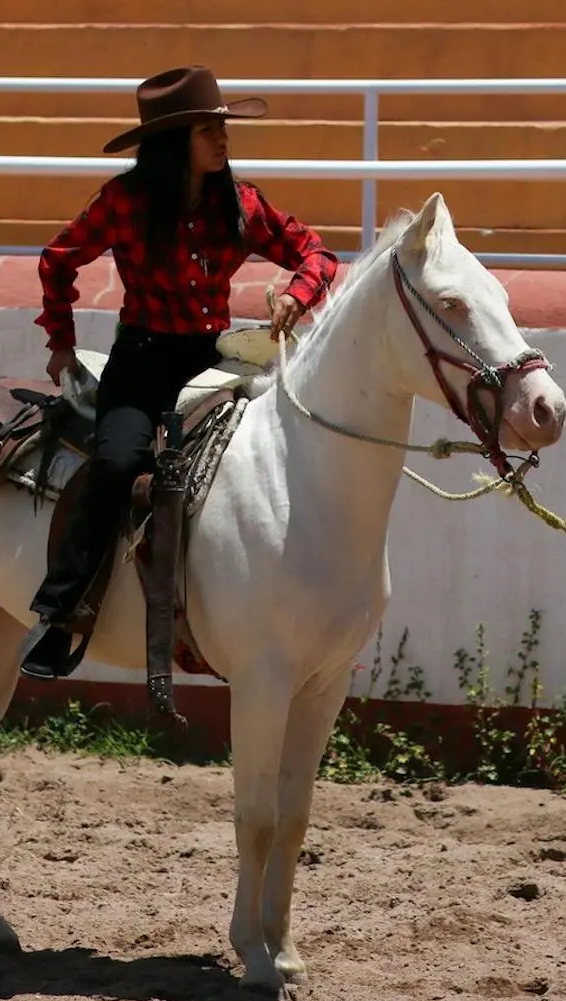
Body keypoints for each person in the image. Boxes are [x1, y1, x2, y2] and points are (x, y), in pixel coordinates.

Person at [19, 65, 338, 680]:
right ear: (174, 140)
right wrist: (61, 340)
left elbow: (317, 252)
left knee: (266, 458)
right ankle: (62, 615)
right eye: (207, 129)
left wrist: (298, 294)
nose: (223, 139)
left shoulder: (240, 204)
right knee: (116, 463)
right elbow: (58, 259)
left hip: (213, 359)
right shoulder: (125, 202)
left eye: (222, 127)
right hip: (141, 361)